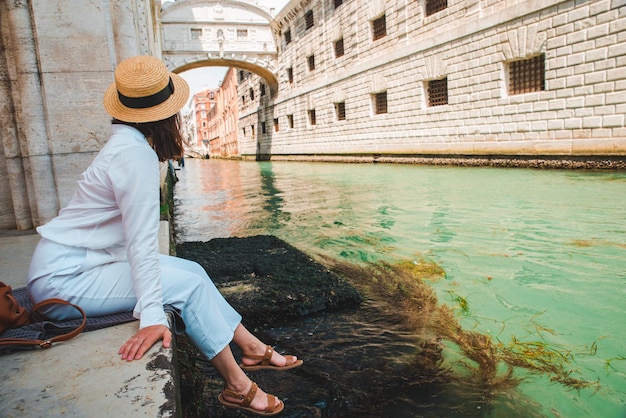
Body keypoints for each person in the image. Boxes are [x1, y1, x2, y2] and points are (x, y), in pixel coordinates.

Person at [27, 55, 302, 416]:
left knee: (193, 271)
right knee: (185, 288)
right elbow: (141, 242)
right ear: (165, 115)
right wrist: (152, 315)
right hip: (65, 281)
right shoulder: (134, 156)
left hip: (75, 263)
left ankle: (250, 347)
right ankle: (237, 386)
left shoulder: (126, 147)